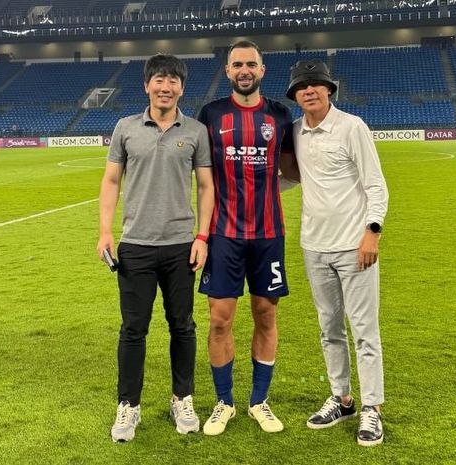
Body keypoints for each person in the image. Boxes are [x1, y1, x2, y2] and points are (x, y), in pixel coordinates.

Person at [97, 53, 214, 442]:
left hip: (182, 245)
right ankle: (128, 406)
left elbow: (206, 187)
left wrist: (202, 237)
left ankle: (182, 398)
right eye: (159, 80)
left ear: (182, 87)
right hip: (136, 246)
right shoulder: (126, 128)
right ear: (147, 85)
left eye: (173, 81)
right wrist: (105, 232)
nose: (166, 87)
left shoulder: (196, 131)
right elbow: (112, 181)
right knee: (133, 330)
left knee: (182, 327)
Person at [282, 59, 389, 446]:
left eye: (316, 84)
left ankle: (372, 409)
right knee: (329, 329)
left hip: (354, 245)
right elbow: (293, 179)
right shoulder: (295, 132)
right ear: (295, 96)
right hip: (314, 246)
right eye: (302, 87)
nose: (309, 91)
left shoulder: (352, 127)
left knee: (364, 330)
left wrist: (372, 233)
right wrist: (248, 185)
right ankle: (342, 399)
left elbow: (376, 185)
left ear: (329, 90)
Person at [196, 40, 294, 436]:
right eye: (237, 64)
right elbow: (201, 173)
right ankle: (225, 403)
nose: (244, 70)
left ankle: (259, 401)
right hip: (223, 235)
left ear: (262, 70)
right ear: (228, 70)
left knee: (265, 315)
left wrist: (265, 189)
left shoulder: (281, 116)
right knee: (220, 319)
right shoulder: (211, 114)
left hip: (269, 233)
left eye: (251, 63)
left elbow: (294, 170)